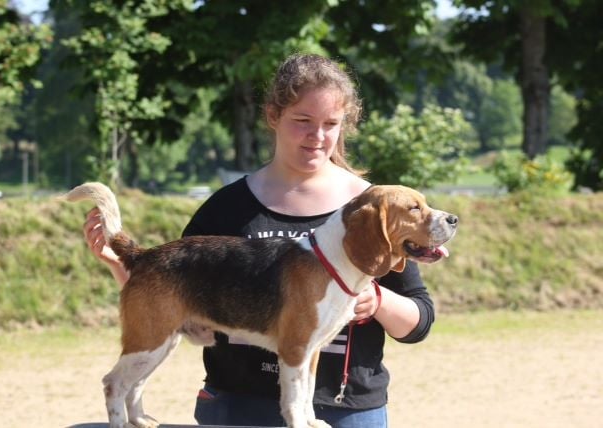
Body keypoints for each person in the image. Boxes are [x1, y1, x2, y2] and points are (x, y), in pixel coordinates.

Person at [83, 53, 434, 428]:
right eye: (303, 121)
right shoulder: (226, 206)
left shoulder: (374, 208)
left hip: (349, 409)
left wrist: (377, 299)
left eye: (330, 123)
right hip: (236, 406)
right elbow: (168, 289)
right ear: (272, 116)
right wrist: (118, 263)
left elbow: (419, 320)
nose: (317, 136)